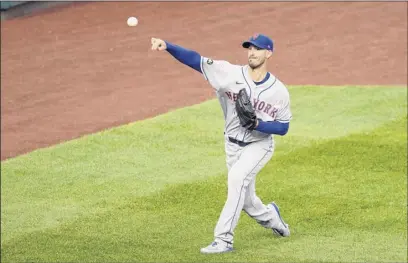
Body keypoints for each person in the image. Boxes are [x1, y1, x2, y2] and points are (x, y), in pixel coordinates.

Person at [150, 33, 292, 254]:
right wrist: (167, 46)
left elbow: (283, 127)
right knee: (247, 201)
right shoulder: (229, 73)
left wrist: (258, 124)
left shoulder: (278, 90)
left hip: (259, 146)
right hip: (232, 145)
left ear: (269, 53)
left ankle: (223, 239)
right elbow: (195, 60)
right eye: (249, 48)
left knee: (237, 180)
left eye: (257, 49)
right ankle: (272, 218)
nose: (252, 52)